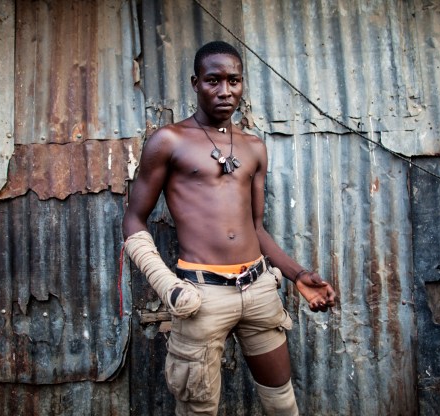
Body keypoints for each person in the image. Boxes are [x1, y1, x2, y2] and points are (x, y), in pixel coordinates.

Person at [122, 40, 336, 416]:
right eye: (213, 80)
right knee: (198, 410)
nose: (225, 91)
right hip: (202, 298)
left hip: (259, 291)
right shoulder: (169, 141)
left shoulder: (254, 147)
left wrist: (298, 275)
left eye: (234, 81)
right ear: (195, 83)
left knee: (282, 402)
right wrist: (166, 284)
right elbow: (133, 219)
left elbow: (257, 227)